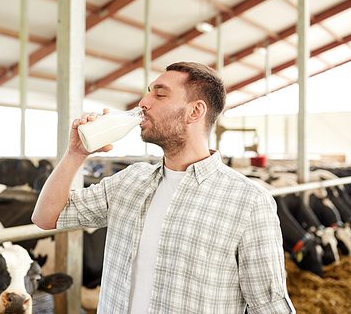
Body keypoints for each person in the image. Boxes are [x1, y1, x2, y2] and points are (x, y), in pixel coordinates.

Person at [32, 61, 295, 313]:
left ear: (195, 111)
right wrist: (75, 153)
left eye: (160, 95)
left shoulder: (248, 201)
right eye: (148, 93)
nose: (143, 103)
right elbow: (46, 217)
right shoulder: (130, 181)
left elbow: (268, 304)